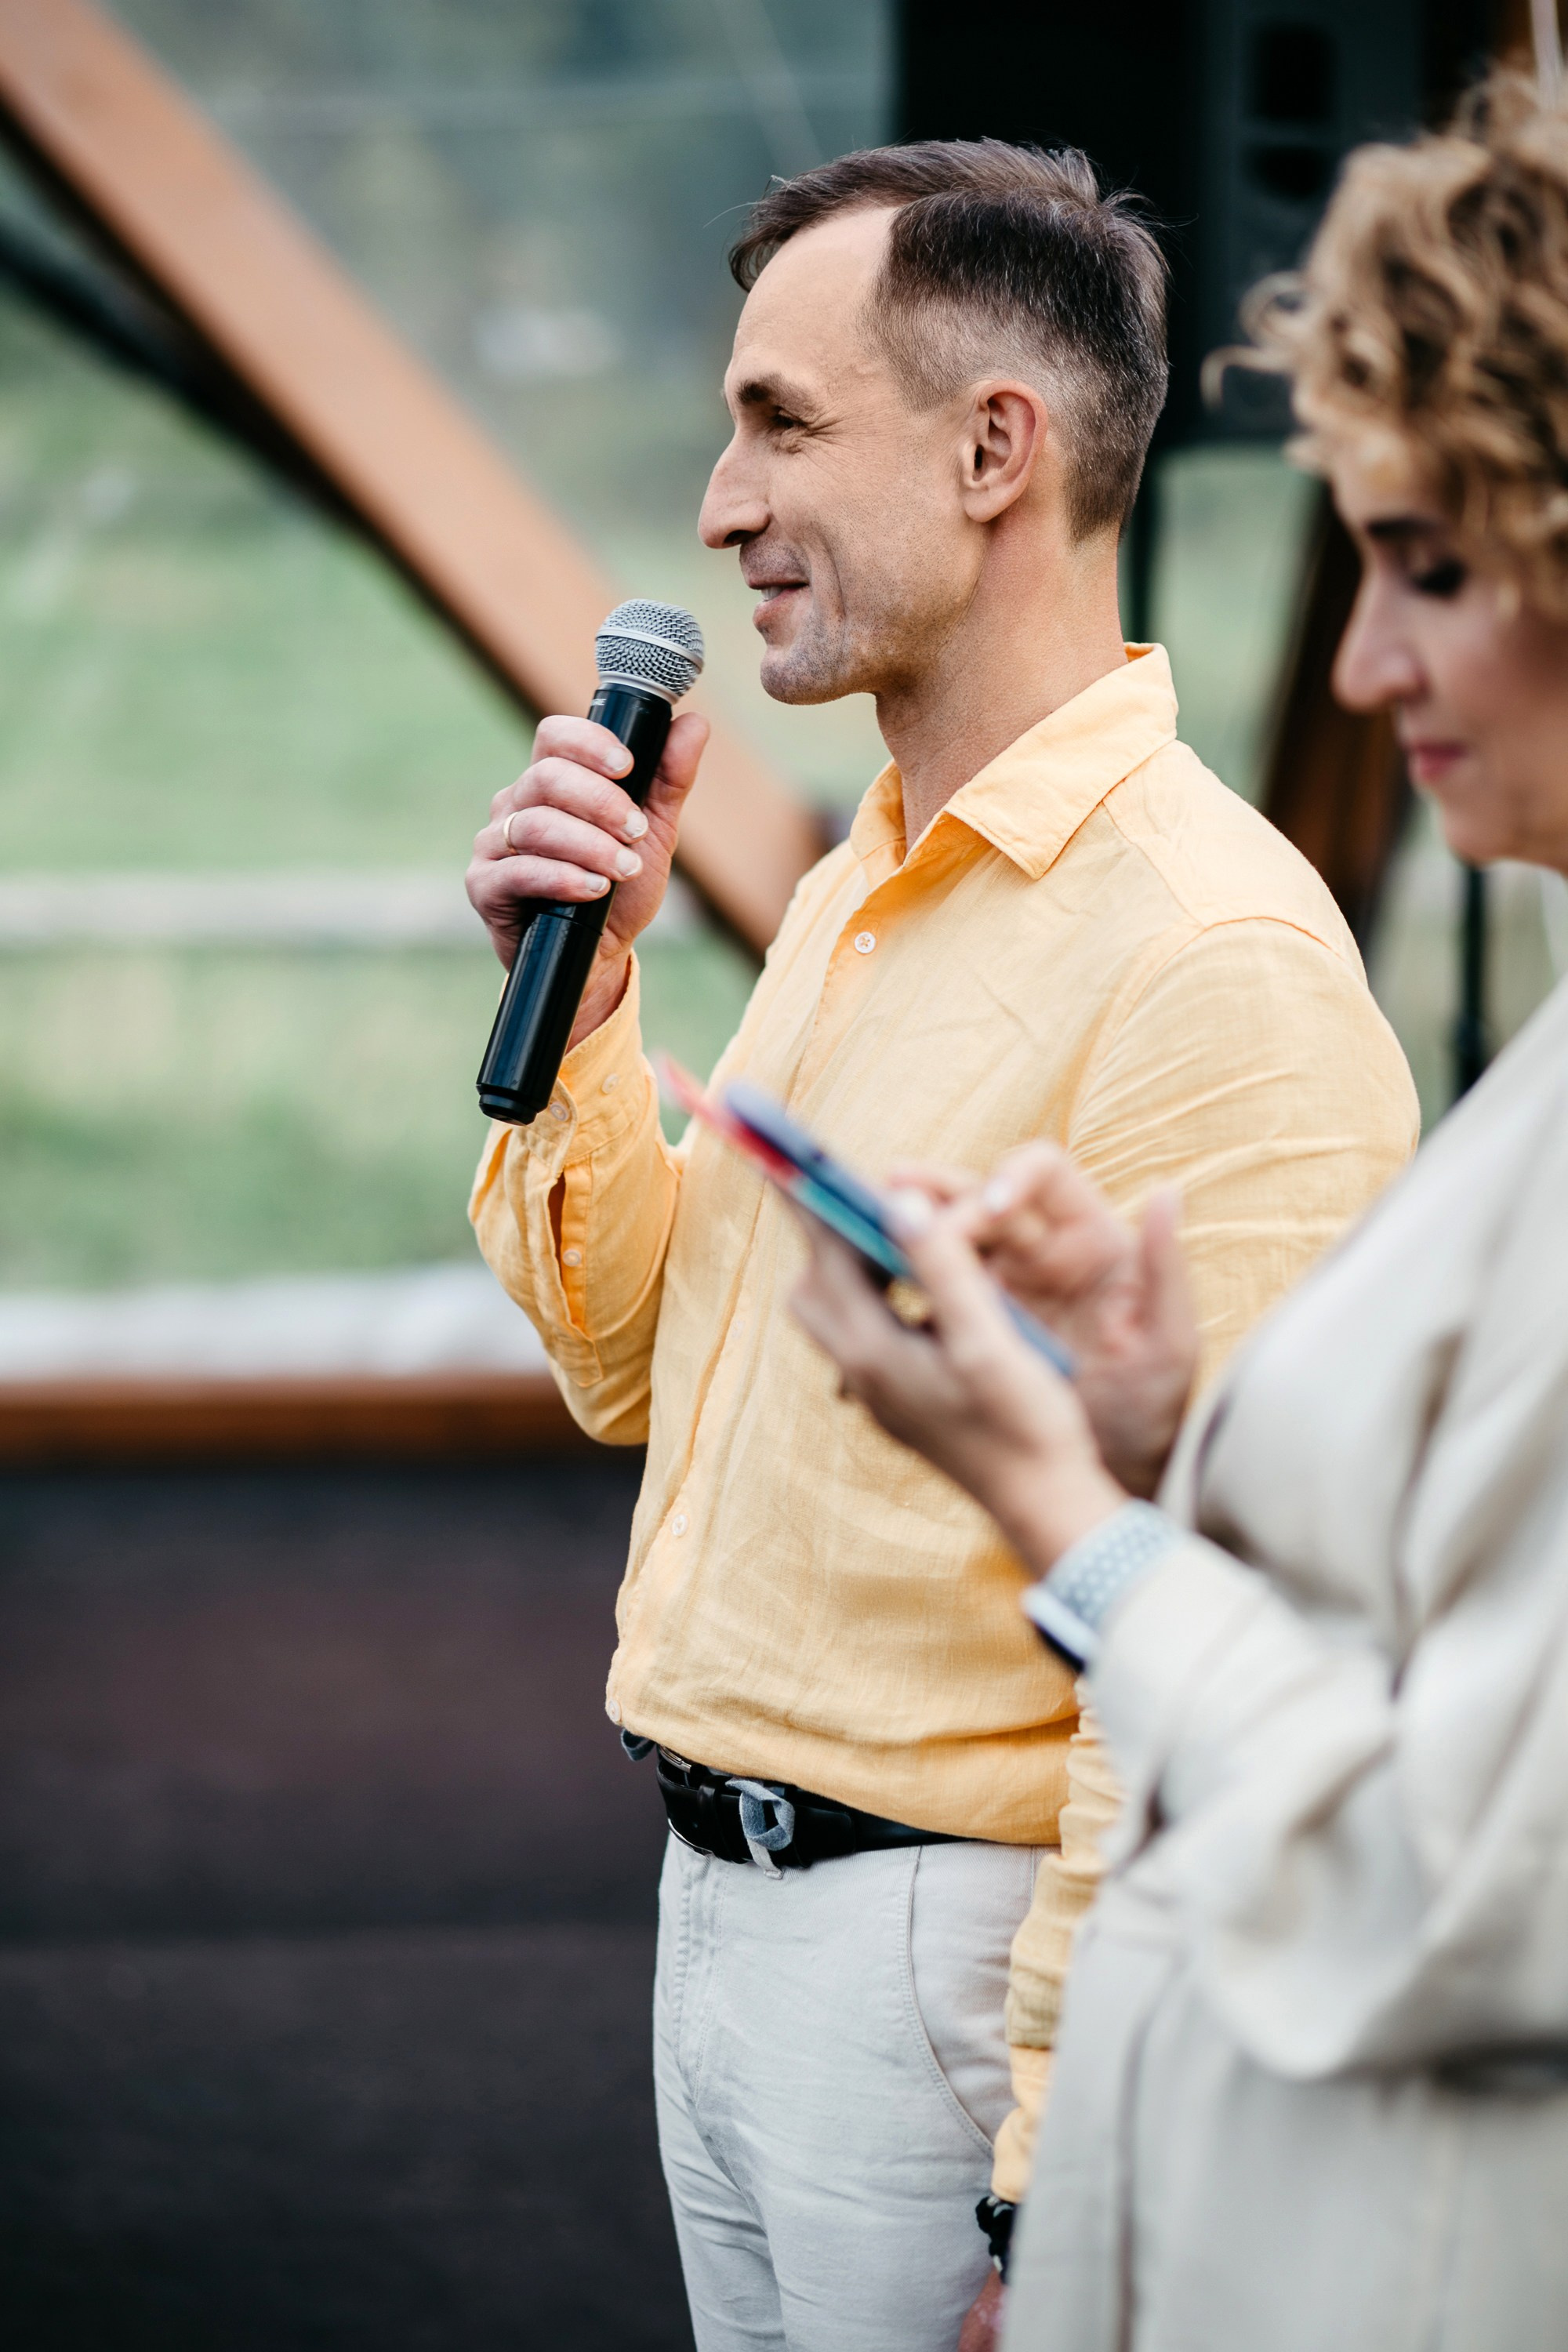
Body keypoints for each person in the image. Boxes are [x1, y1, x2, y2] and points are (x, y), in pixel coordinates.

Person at [466, 141, 1416, 2352]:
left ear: (1000, 450)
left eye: (782, 423)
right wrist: (585, 1012)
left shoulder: (1213, 956)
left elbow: (1214, 1609)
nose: (716, 505)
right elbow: (633, 1375)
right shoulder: (856, 886)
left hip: (948, 1979)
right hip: (723, 1934)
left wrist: (1054, 2171)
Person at [790, 72, 1568, 2352]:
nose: (1360, 665)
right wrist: (1156, 1430)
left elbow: (1470, 1883)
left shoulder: (1228, 944)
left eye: (1431, 566)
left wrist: (1066, 1512)